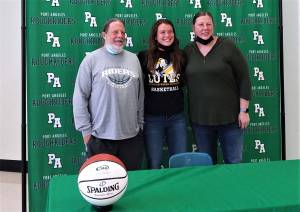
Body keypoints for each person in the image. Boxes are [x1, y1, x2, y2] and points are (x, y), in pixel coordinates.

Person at [73, 18, 144, 170]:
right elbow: (80, 97)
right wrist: (87, 134)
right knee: (104, 188)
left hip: (131, 137)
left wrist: (140, 124)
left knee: (131, 183)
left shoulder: (133, 59)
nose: (120, 35)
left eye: (123, 32)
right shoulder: (91, 60)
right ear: (104, 35)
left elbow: (140, 96)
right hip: (100, 138)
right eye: (115, 32)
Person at [184, 11, 252, 164]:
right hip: (200, 121)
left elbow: (244, 79)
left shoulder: (227, 45)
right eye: (201, 24)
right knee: (207, 166)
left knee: (234, 163)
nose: (205, 28)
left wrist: (244, 111)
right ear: (193, 27)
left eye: (208, 24)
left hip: (231, 120)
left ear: (213, 26)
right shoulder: (188, 51)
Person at [137, 19, 187, 169]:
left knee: (180, 161)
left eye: (170, 31)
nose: (167, 35)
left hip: (177, 118)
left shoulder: (181, 55)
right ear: (155, 36)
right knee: (154, 162)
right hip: (152, 120)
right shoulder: (143, 56)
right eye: (163, 32)